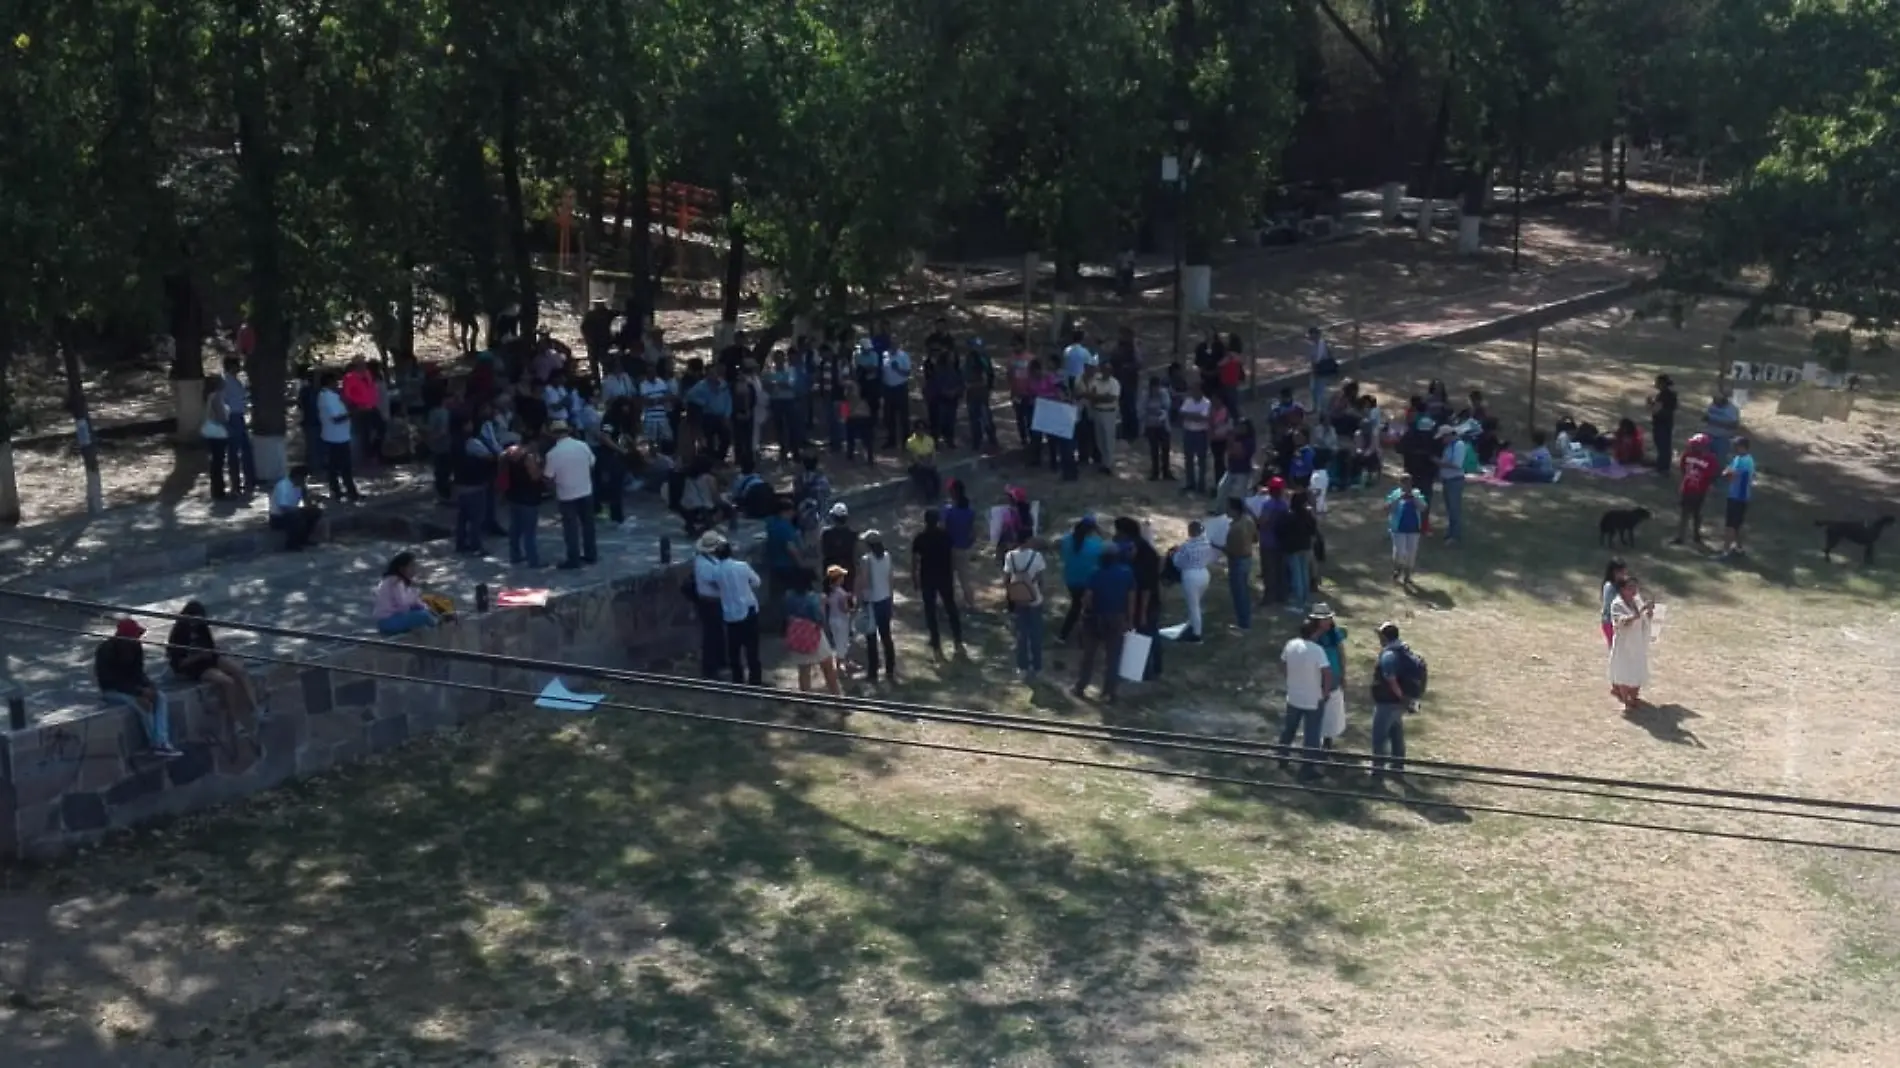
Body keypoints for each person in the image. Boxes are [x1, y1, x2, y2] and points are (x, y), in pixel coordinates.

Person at [165, 600, 260, 743]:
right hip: (194, 667)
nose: (196, 624)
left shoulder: (202, 627)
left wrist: (214, 652)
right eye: (194, 620)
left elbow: (210, 646)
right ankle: (235, 722)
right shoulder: (178, 634)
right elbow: (179, 664)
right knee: (228, 682)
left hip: (209, 658)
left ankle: (255, 708)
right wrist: (198, 656)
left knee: (239, 671)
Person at [96, 618, 182, 758]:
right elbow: (109, 681)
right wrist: (139, 693)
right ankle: (157, 744)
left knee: (160, 697)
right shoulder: (105, 651)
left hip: (132, 689)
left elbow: (138, 673)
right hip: (112, 691)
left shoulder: (136, 648)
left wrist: (149, 686)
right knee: (143, 705)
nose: (137, 639)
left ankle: (162, 740)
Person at [1071, 546, 1134, 704]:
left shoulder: (1095, 573)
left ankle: (1081, 686)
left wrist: (1085, 612)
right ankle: (1110, 692)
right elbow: (1131, 598)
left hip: (1095, 618)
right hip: (1117, 618)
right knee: (1113, 657)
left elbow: (1088, 598)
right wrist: (1130, 619)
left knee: (1089, 655)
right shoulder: (1126, 573)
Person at [1277, 616, 1334, 778]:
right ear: (1314, 632)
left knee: (1289, 728)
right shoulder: (1317, 650)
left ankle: (1282, 757)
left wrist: (1290, 679)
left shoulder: (1291, 644)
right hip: (1313, 698)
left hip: (1294, 695)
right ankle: (1308, 768)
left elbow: (1283, 664)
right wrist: (1326, 691)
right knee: (1312, 734)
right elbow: (1327, 673)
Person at [544, 420, 598, 569]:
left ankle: (573, 559)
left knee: (571, 528)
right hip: (585, 490)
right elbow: (592, 464)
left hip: (566, 494)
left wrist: (552, 491)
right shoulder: (582, 446)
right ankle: (591, 554)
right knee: (588, 525)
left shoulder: (552, 454)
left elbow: (548, 477)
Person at [910, 508, 964, 655]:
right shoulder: (946, 536)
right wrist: (953, 572)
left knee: (930, 610)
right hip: (945, 576)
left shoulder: (920, 538)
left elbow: (915, 561)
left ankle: (935, 640)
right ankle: (957, 639)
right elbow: (953, 555)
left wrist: (914, 578)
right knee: (951, 607)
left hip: (927, 577)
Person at [1368, 622, 1418, 779]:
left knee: (1379, 737)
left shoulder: (1389, 655)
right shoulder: (1403, 649)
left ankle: (1378, 771)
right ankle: (1397, 769)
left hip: (1388, 702)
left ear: (1384, 636)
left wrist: (1401, 697)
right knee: (1396, 736)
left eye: (1380, 635)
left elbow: (1391, 680)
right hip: (1397, 703)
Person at [713, 537, 764, 685]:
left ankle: (738, 679)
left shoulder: (716, 571)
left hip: (730, 614)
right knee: (752, 649)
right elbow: (757, 582)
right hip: (748, 611)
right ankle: (755, 680)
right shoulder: (742, 566)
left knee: (734, 650)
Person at [782, 570, 841, 696]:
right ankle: (838, 699)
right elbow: (820, 619)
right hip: (814, 636)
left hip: (797, 636)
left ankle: (807, 705)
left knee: (804, 672)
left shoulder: (788, 596)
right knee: (828, 669)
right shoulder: (814, 598)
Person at [854, 530, 899, 683]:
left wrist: (860, 598)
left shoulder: (866, 559)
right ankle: (890, 669)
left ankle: (873, 672)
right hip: (885, 599)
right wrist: (891, 598)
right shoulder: (887, 556)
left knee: (871, 638)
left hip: (872, 601)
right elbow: (890, 579)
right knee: (886, 636)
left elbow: (865, 581)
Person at [1001, 533, 1047, 680]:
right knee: (1036, 634)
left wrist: (1011, 594)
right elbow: (1040, 579)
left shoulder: (1010, 556)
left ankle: (1022, 667)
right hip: (1034, 599)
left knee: (1021, 634)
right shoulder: (1037, 556)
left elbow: (1006, 579)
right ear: (1028, 540)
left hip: (1018, 599)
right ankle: (1037, 666)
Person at [1056, 517, 1108, 643]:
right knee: (1091, 607)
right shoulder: (1096, 544)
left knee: (1076, 605)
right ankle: (1089, 636)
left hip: (1071, 580)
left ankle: (1063, 635)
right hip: (1089, 581)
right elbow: (1106, 547)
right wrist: (1100, 533)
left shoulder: (1066, 541)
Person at [453, 415, 500, 556]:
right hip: (474, 484)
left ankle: (460, 543)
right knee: (476, 518)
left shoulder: (454, 442)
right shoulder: (471, 442)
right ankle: (476, 546)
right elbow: (489, 457)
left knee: (462, 517)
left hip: (460, 483)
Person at [1607, 575, 1656, 708]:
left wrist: (1649, 612)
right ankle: (1625, 697)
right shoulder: (1617, 604)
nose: (1634, 590)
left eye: (1635, 587)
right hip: (1624, 643)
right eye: (1630, 587)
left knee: (1637, 667)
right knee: (1624, 669)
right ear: (1622, 589)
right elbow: (1620, 622)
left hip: (1637, 640)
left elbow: (1644, 619)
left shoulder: (1637, 600)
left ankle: (1634, 696)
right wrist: (1636, 615)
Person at [315, 371, 362, 502]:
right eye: (336, 381)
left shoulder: (329, 396)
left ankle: (338, 491)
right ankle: (350, 492)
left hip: (337, 435)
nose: (338, 384)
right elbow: (336, 418)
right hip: (337, 437)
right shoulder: (328, 397)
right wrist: (352, 413)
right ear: (330, 382)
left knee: (334, 466)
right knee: (344, 466)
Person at [1309, 605, 1348, 753]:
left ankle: (1328, 740)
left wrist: (1343, 674)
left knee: (1332, 708)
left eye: (1328, 619)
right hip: (1316, 676)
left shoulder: (1335, 634)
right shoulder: (1311, 635)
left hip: (1333, 675)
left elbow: (1341, 654)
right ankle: (1314, 740)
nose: (1327, 622)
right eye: (1323, 619)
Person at [691, 531, 729, 679]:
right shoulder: (704, 564)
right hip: (709, 602)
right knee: (711, 636)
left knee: (718, 633)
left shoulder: (709, 559)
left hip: (714, 601)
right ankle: (710, 669)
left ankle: (719, 663)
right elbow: (715, 581)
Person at [372, 553, 441, 635]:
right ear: (402, 568)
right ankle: (440, 630)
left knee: (423, 611)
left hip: (392, 619)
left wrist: (427, 608)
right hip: (388, 621)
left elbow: (415, 603)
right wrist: (416, 590)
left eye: (415, 566)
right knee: (424, 616)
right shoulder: (395, 581)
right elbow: (403, 604)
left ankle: (436, 625)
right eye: (411, 566)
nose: (414, 569)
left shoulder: (400, 581)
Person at [501, 440, 544, 567]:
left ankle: (515, 555)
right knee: (529, 532)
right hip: (529, 498)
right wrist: (541, 466)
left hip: (513, 496)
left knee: (515, 528)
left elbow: (502, 475)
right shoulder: (528, 457)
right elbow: (535, 476)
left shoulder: (505, 455)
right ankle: (533, 560)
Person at [1276, 490, 1320, 615]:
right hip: (1306, 547)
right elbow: (1313, 530)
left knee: (1296, 576)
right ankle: (1305, 600)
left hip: (1293, 549)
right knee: (1304, 574)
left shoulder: (1288, 516)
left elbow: (1280, 530)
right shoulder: (1308, 514)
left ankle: (1298, 604)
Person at [1170, 521, 1215, 642]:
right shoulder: (1207, 543)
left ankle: (1196, 633)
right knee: (1196, 602)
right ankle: (1193, 624)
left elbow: (1178, 562)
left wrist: (1174, 554)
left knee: (1193, 605)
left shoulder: (1187, 546)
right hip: (1204, 573)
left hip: (1191, 575)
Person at [1673, 433, 1717, 545]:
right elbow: (1683, 468)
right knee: (1684, 512)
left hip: (1699, 491)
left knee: (1697, 513)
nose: (1692, 447)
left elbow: (1711, 475)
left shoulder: (1710, 459)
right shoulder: (1687, 455)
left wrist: (1707, 486)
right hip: (1687, 489)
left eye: (1696, 445)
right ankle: (1680, 536)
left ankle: (1696, 535)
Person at [942, 480, 979, 609]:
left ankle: (948, 603)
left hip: (949, 549)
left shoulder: (948, 511)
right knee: (965, 580)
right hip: (963, 549)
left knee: (947, 578)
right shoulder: (970, 511)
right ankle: (971, 604)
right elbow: (974, 533)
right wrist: (968, 544)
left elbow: (942, 529)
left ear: (953, 493)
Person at [269, 466, 324, 551]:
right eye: (304, 479)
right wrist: (300, 511)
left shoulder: (299, 486)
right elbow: (284, 508)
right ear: (298, 477)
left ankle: (303, 539)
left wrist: (310, 499)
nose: (305, 481)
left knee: (315, 512)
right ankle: (291, 544)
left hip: (292, 512)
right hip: (278, 517)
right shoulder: (284, 486)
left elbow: (307, 503)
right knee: (295, 517)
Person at [1384, 473, 1426, 584]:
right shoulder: (1395, 494)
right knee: (1399, 552)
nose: (1407, 485)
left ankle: (1407, 575)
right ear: (1400, 483)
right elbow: (1388, 508)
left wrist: (1414, 498)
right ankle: (1397, 568)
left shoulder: (1416, 493)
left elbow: (1423, 508)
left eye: (1409, 483)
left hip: (1414, 528)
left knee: (1411, 553)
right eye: (1404, 483)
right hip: (1398, 528)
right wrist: (1398, 498)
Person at [1223, 498, 1257, 633]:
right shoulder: (1248, 520)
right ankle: (1245, 620)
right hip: (1247, 559)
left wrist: (1219, 547)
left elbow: (1232, 550)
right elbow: (1255, 538)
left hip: (1237, 561)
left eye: (1228, 508)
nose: (1226, 510)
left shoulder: (1236, 528)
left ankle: (1243, 624)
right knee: (1244, 592)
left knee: (1239, 594)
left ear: (1234, 510)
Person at [1719, 436, 1755, 559]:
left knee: (1730, 525)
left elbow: (1731, 475)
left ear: (1742, 447)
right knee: (1737, 525)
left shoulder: (1745, 461)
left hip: (1738, 497)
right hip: (1734, 495)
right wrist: (1728, 473)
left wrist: (1728, 473)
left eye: (1736, 445)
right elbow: (1728, 471)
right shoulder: (1738, 458)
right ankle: (1739, 548)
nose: (1734, 448)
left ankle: (1725, 552)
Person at [1435, 423, 1468, 544]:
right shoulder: (1449, 446)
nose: (1442, 440)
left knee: (1454, 508)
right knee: (1449, 508)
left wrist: (1439, 463)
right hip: (1447, 480)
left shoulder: (1459, 446)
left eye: (1443, 437)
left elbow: (1457, 465)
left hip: (1455, 480)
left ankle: (1455, 535)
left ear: (1448, 435)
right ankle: (1451, 531)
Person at [822, 565, 854, 677]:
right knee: (842, 642)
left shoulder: (829, 591)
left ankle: (842, 663)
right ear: (838, 579)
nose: (843, 579)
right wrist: (851, 609)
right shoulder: (841, 593)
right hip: (841, 620)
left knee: (837, 642)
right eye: (841, 577)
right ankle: (839, 666)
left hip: (832, 619)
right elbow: (844, 608)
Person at [1142, 375, 1174, 481]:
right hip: (1151, 425)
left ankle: (1166, 471)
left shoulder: (1164, 394)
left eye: (1157, 387)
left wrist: (1154, 411)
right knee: (1154, 449)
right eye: (1153, 387)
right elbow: (1142, 409)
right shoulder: (1146, 395)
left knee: (1165, 448)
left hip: (1163, 425)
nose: (1155, 390)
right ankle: (1155, 472)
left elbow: (1166, 407)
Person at [1649, 374, 1679, 474]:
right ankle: (1665, 466)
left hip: (1660, 424)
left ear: (1662, 384)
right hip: (1668, 422)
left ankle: (1661, 468)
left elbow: (1656, 410)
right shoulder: (1672, 395)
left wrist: (1650, 403)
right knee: (1666, 445)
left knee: (1662, 446)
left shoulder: (1662, 396)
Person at [1703, 390, 1741, 468]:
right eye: (1714, 400)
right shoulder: (1712, 405)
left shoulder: (1732, 409)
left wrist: (1716, 421)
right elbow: (1706, 417)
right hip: (1709, 436)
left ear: (1724, 400)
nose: (1715, 403)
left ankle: (1719, 477)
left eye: (1717, 401)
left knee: (1720, 461)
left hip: (1723, 439)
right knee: (1706, 460)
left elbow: (1734, 425)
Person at [1599, 557, 1630, 651]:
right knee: (1615, 650)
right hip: (1609, 622)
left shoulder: (1621, 585)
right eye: (1621, 572)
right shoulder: (1609, 587)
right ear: (1614, 572)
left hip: (1619, 622)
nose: (1624, 575)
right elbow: (1611, 605)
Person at [905, 424, 941, 502]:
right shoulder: (910, 441)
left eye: (922, 429)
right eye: (919, 429)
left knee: (936, 478)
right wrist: (924, 464)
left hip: (928, 462)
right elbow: (914, 457)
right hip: (916, 465)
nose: (921, 431)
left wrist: (931, 463)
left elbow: (933, 453)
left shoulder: (929, 439)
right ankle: (928, 499)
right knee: (926, 480)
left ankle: (936, 496)